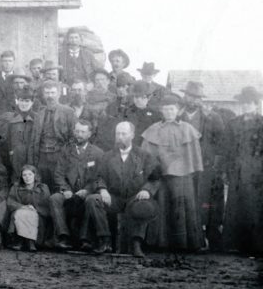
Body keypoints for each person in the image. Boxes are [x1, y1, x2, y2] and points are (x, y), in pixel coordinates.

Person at [84, 121, 159, 257]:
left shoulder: (144, 156)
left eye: (124, 134)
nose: (120, 137)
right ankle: (105, 240)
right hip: (114, 198)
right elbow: (98, 176)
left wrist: (146, 190)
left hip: (135, 198)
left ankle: (136, 243)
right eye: (117, 134)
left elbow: (155, 178)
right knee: (92, 200)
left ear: (132, 135)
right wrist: (102, 189)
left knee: (144, 205)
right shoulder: (106, 156)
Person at [141, 94, 204, 253]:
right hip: (160, 176)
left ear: (178, 111)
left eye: (172, 109)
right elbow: (146, 156)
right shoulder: (153, 129)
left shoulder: (188, 129)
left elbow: (193, 156)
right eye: (166, 109)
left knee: (183, 207)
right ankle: (161, 243)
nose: (169, 112)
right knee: (161, 207)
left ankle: (185, 243)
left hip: (183, 176)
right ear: (161, 111)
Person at [179, 81, 226, 249]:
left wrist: (216, 164)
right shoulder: (178, 116)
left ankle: (209, 237)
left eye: (197, 97)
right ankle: (188, 238)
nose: (193, 100)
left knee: (205, 201)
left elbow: (221, 143)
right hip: (183, 166)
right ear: (185, 96)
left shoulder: (212, 117)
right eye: (190, 96)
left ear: (201, 100)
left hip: (205, 166)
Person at [47, 120, 103, 251]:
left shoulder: (97, 153)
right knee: (54, 199)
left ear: (89, 134)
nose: (79, 134)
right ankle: (63, 237)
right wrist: (65, 189)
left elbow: (99, 177)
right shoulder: (66, 151)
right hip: (69, 191)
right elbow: (58, 174)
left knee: (91, 200)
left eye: (83, 132)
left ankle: (86, 239)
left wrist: (87, 190)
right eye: (77, 131)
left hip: (87, 191)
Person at [222, 87, 263, 256]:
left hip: (257, 171)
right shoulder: (233, 124)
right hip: (236, 170)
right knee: (235, 205)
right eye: (244, 103)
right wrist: (225, 170)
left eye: (250, 103)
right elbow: (227, 149)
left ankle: (256, 246)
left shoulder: (261, 123)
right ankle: (234, 244)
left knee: (254, 207)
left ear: (256, 104)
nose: (247, 106)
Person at [37, 81, 75, 186]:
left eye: (53, 93)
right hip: (42, 156)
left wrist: (67, 154)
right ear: (43, 95)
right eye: (47, 93)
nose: (50, 96)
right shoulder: (39, 113)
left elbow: (73, 136)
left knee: (59, 185)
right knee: (43, 185)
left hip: (59, 154)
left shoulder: (68, 112)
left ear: (58, 94)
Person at [6, 165, 51, 251]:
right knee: (20, 213)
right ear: (21, 177)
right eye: (24, 175)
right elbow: (10, 202)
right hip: (20, 211)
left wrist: (34, 208)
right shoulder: (16, 187)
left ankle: (31, 241)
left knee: (31, 215)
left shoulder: (43, 188)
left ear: (35, 175)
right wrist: (22, 207)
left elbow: (46, 204)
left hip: (38, 213)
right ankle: (21, 240)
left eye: (30, 174)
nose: (27, 177)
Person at [4, 87, 42, 181]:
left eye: (27, 101)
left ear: (32, 102)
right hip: (16, 157)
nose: (23, 104)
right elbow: (6, 138)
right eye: (21, 100)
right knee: (17, 180)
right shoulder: (11, 118)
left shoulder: (38, 118)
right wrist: (11, 151)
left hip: (32, 156)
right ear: (17, 101)